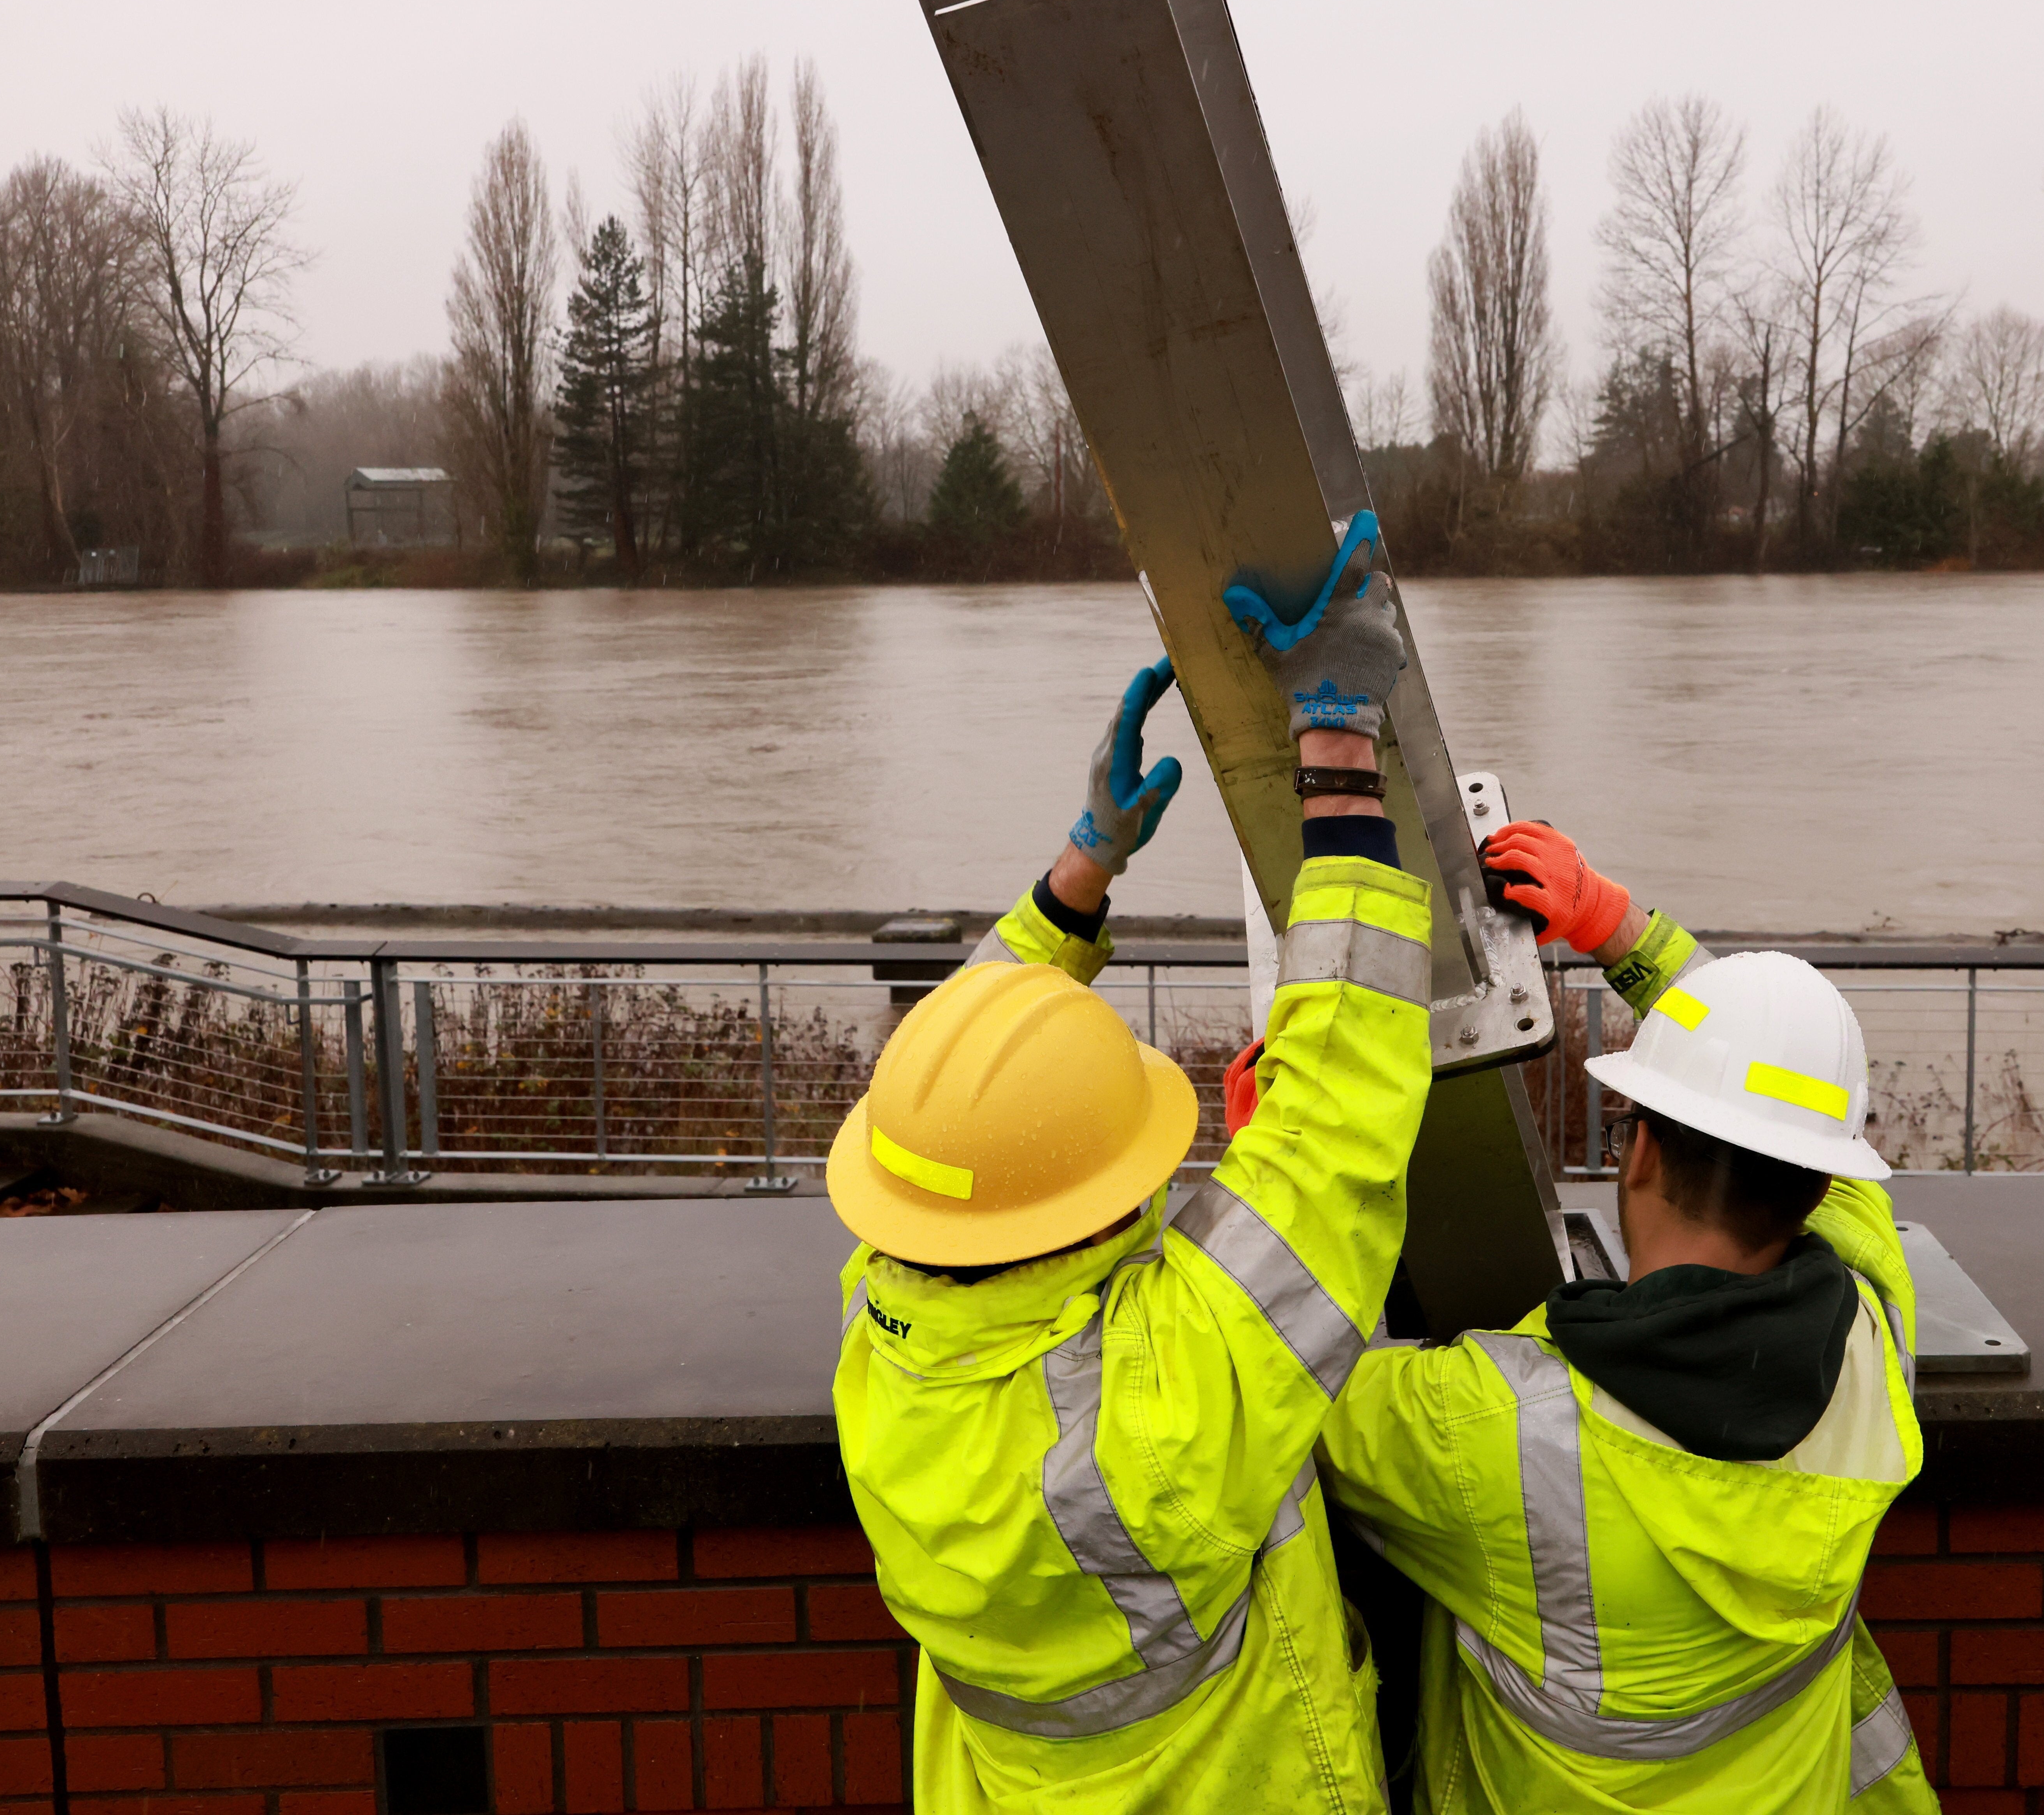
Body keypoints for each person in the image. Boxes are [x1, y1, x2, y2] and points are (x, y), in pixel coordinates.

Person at [828, 523, 1435, 1815]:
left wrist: (1076, 879)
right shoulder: (1161, 1407)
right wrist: (1335, 740)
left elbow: (956, 1104)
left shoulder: (884, 1335)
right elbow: (1340, 1117)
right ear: (1104, 1206)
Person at [1316, 819, 1939, 1813]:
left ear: (1634, 1154)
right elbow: (1782, 1100)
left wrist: (1296, 1154)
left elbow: (1276, 1388)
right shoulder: (1874, 1331)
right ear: (1823, 1189)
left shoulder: (1491, 1426)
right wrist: (1619, 927)